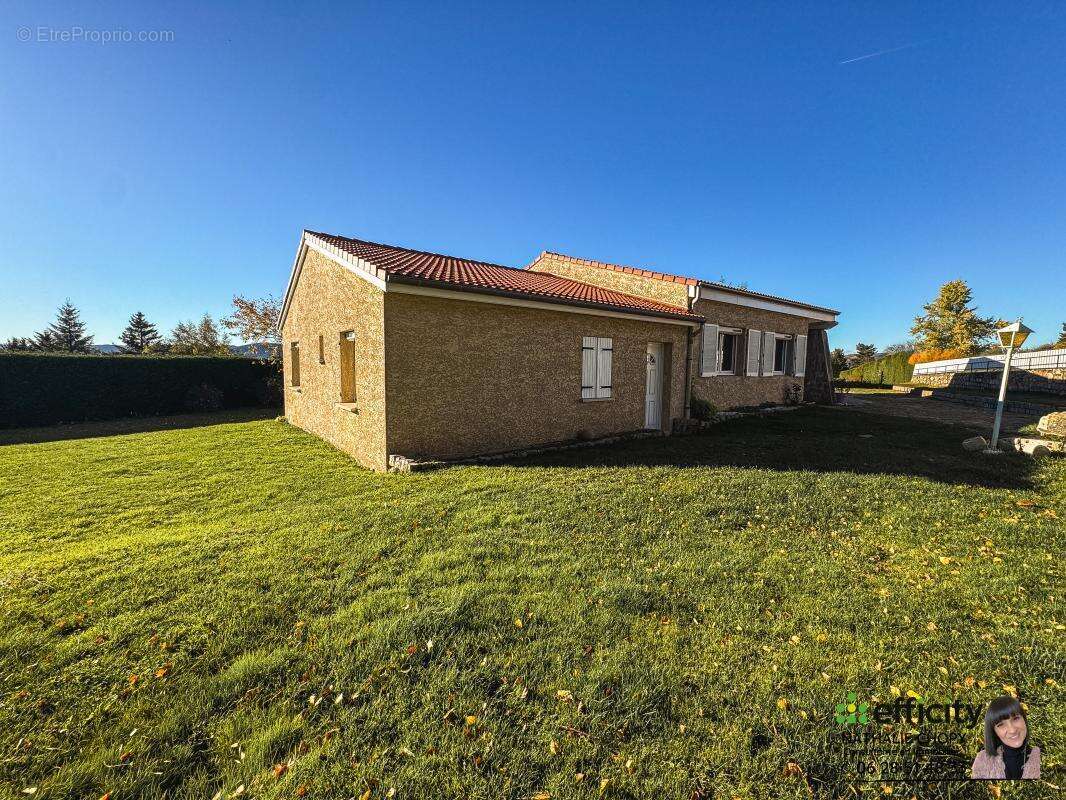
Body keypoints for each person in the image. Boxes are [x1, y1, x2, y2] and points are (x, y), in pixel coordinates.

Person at [971, 695, 1040, 779]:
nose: (1012, 730)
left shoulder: (1042, 756)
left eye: (1015, 719)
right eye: (1001, 725)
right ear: (994, 731)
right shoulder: (982, 761)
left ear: (1024, 720)